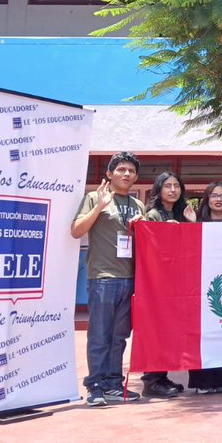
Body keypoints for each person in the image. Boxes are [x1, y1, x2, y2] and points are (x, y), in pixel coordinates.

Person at [71, 152, 146, 406]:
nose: (127, 174)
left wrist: (142, 225)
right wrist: (100, 207)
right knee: (100, 335)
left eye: (131, 171)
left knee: (120, 336)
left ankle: (114, 384)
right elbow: (76, 230)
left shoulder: (137, 206)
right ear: (109, 174)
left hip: (130, 277)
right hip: (103, 277)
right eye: (121, 169)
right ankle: (95, 386)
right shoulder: (94, 197)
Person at [140, 171, 195, 398]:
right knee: (157, 329)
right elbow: (152, 249)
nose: (173, 190)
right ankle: (151, 380)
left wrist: (191, 224)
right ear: (159, 189)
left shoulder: (183, 213)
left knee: (171, 331)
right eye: (167, 186)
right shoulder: (153, 214)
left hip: (178, 283)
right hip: (158, 283)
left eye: (176, 186)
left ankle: (162, 377)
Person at [188, 182, 222, 394]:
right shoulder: (195, 224)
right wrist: (191, 226)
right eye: (213, 195)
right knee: (202, 334)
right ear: (207, 200)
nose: (218, 199)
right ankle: (202, 382)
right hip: (201, 288)